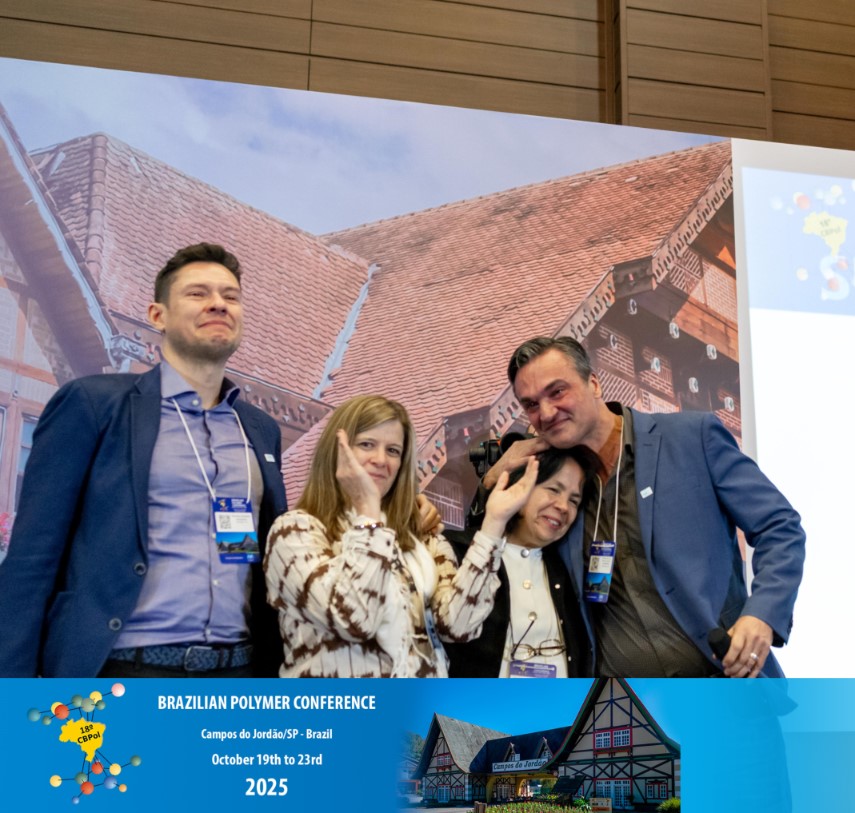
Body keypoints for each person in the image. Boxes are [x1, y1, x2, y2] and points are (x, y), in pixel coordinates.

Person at [0, 243, 288, 677]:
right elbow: (32, 558)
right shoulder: (94, 405)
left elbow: (252, 555)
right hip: (123, 674)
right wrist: (13, 696)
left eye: (230, 296)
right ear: (158, 316)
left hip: (238, 676)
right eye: (198, 293)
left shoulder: (260, 430)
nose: (218, 304)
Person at [482, 336, 806, 678]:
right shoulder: (551, 486)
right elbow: (495, 554)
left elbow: (779, 527)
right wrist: (492, 479)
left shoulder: (691, 437)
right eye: (531, 404)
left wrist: (762, 615)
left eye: (557, 392)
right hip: (621, 703)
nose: (546, 413)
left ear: (594, 383)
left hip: (727, 683)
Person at [264, 394, 539, 677]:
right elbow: (355, 621)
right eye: (367, 444)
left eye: (393, 450)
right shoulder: (294, 531)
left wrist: (493, 523)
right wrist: (368, 513)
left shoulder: (421, 535)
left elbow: (458, 626)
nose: (380, 460)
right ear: (336, 451)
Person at [445, 445, 596, 678]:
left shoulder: (569, 570)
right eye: (553, 489)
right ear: (519, 486)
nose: (563, 506)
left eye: (574, 501)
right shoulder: (459, 552)